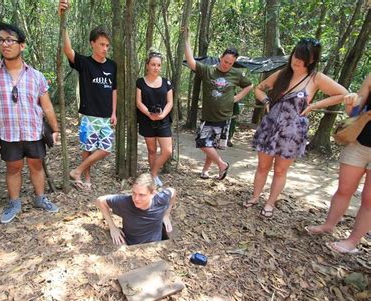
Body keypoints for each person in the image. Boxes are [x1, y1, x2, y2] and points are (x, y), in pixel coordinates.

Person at [245, 38, 348, 218]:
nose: (297, 61)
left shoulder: (316, 78)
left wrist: (314, 105)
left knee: (280, 170)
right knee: (262, 167)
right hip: (270, 127)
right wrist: (266, 100)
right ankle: (255, 197)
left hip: (292, 132)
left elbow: (343, 94)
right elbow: (259, 89)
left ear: (312, 60)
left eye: (302, 58)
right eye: (295, 55)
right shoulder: (282, 74)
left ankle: (270, 203)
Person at [0, 22, 60, 224]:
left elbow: (47, 106)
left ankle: (40, 198)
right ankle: (14, 202)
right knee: (13, 167)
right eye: (1, 40)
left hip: (33, 130)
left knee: (36, 164)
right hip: (8, 132)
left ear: (22, 45)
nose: (5, 44)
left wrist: (55, 129)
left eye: (10, 40)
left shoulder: (36, 76)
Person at [305, 74, 371, 254]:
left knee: (369, 199)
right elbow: (355, 112)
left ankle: (352, 241)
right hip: (359, 142)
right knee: (344, 189)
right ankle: (328, 225)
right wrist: (351, 103)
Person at [59, 0, 117, 191]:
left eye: (107, 45)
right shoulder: (84, 63)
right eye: (101, 44)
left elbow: (114, 89)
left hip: (106, 116)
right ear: (92, 44)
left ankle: (77, 170)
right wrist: (62, 19)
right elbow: (68, 50)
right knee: (88, 148)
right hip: (89, 115)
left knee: (106, 149)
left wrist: (114, 113)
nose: (105, 48)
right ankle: (86, 178)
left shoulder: (112, 66)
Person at [184, 29, 253, 180]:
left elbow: (249, 85)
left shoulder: (236, 74)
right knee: (202, 142)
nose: (227, 65)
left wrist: (237, 97)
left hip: (224, 117)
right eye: (225, 61)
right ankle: (222, 165)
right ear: (220, 58)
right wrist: (186, 39)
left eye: (230, 63)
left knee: (212, 145)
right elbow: (190, 62)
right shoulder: (208, 70)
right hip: (208, 116)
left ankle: (205, 171)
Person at [96, 173, 176, 245]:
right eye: (134, 193)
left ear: (153, 194)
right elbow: (100, 200)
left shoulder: (160, 200)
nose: (136, 199)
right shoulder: (125, 202)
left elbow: (173, 191)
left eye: (141, 195)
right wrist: (113, 227)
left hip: (156, 246)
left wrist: (166, 215)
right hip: (131, 246)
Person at [136, 49, 173, 187]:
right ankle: (154, 177)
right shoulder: (140, 82)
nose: (156, 68)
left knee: (167, 151)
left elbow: (170, 102)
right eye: (153, 64)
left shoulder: (166, 82)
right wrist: (149, 114)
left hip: (163, 120)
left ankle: (152, 173)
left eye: (158, 65)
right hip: (147, 120)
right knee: (152, 150)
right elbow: (138, 102)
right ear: (147, 65)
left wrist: (163, 114)